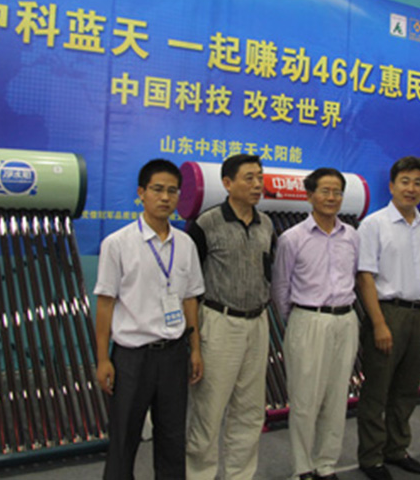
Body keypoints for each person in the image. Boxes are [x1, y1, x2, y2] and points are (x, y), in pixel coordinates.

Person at [94, 159, 205, 480]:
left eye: (172, 191)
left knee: (172, 437)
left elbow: (190, 299)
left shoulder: (185, 244)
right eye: (157, 189)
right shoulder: (117, 244)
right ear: (141, 192)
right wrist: (103, 359)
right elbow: (105, 305)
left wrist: (195, 350)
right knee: (124, 437)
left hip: (173, 354)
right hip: (132, 357)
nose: (165, 197)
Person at [186, 154, 276, 480]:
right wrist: (194, 342)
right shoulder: (205, 224)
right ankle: (200, 474)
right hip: (219, 322)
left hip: (258, 323)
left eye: (260, 177)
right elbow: (189, 288)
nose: (257, 184)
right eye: (249, 178)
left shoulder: (267, 225)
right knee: (209, 409)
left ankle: (240, 475)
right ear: (227, 183)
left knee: (250, 410)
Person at [272, 168, 361, 480]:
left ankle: (326, 463)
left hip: (346, 321)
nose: (331, 197)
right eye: (325, 191)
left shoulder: (352, 236)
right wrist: (300, 320)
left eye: (337, 191)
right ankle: (303, 467)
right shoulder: (292, 238)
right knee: (304, 400)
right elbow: (280, 288)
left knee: (337, 399)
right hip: (308, 320)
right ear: (309, 195)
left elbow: (356, 277)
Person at [356, 156, 420, 480]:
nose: (411, 188)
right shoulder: (373, 224)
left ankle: (397, 449)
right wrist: (378, 324)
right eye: (405, 182)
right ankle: (371, 457)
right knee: (376, 391)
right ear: (391, 186)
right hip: (388, 313)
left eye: (418, 183)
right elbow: (365, 277)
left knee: (407, 390)